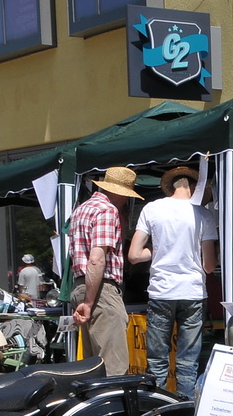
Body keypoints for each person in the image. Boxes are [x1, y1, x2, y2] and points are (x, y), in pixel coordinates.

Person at [128, 165, 218, 398]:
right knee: (188, 361)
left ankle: (156, 408)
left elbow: (134, 255)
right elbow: (209, 266)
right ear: (193, 186)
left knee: (157, 360)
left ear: (173, 186)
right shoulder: (203, 214)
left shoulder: (151, 209)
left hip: (161, 291)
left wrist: (158, 251)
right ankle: (185, 412)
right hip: (193, 292)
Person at [67, 166, 140, 375]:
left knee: (92, 367)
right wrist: (89, 302)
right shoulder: (107, 210)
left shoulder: (81, 209)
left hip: (81, 285)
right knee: (113, 367)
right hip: (100, 290)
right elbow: (96, 260)